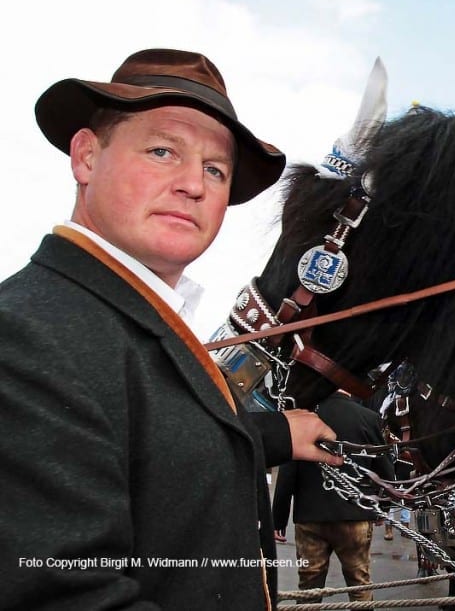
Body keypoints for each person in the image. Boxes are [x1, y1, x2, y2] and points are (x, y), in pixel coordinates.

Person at [0, 48, 344, 609]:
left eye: (215, 169)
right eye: (163, 151)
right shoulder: (27, 337)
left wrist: (277, 433)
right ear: (86, 157)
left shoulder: (130, 316)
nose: (194, 184)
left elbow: (147, 439)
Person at [272, 391, 395, 602]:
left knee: (309, 588)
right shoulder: (368, 417)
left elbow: (288, 471)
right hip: (354, 515)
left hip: (310, 515)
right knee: (360, 585)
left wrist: (278, 519)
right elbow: (385, 470)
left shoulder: (305, 418)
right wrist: (383, 508)